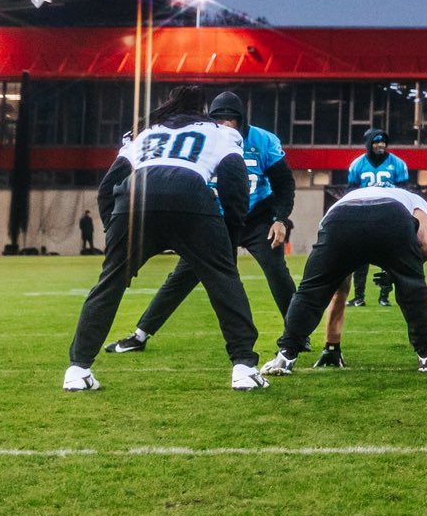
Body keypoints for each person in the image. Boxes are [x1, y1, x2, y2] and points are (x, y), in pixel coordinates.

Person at [64, 87, 264, 392]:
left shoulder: (144, 133)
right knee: (224, 280)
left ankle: (78, 369)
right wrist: (229, 238)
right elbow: (234, 187)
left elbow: (107, 188)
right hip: (190, 197)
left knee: (109, 283)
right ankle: (244, 368)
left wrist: (115, 233)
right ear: (203, 111)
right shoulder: (222, 133)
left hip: (135, 200)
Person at [104, 91, 298, 355]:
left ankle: (297, 333)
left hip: (256, 218)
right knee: (181, 278)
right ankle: (140, 334)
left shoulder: (263, 140)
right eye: (219, 118)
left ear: (242, 120)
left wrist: (280, 219)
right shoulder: (208, 136)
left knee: (276, 270)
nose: (226, 124)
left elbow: (284, 184)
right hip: (216, 218)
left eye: (231, 119)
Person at [261, 181, 427, 375]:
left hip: (340, 220)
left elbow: (338, 288)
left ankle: (285, 356)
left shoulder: (343, 201)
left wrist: (332, 345)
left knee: (310, 292)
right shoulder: (413, 200)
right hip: (391, 217)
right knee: (412, 289)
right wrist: (398, 274)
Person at [345, 129, 411, 307]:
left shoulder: (397, 163)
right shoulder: (358, 164)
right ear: (368, 144)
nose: (380, 145)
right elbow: (351, 190)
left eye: (383, 141)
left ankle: (384, 296)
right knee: (360, 258)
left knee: (388, 257)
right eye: (376, 141)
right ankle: (359, 297)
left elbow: (405, 190)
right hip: (364, 214)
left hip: (388, 214)